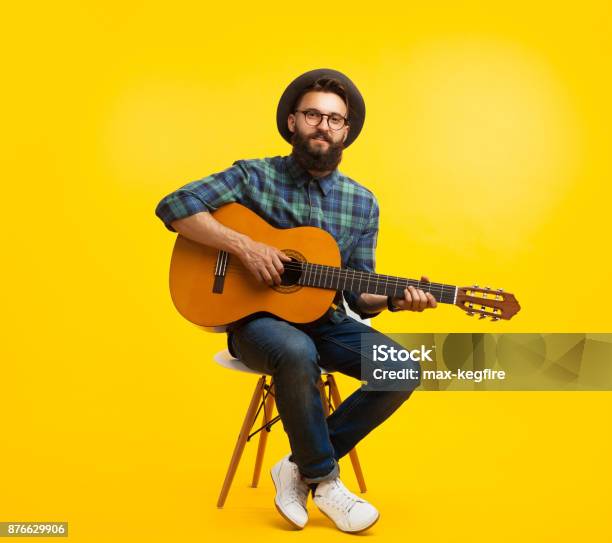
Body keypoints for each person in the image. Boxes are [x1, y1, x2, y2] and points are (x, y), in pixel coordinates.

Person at [155, 69, 437, 533]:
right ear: (292, 121)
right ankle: (325, 481)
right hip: (254, 323)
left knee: (401, 369)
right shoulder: (253, 176)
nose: (323, 126)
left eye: (335, 119)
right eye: (313, 115)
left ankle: (297, 467)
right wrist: (244, 246)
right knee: (294, 350)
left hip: (323, 321)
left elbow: (359, 292)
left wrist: (394, 300)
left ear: (347, 131)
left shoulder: (361, 202)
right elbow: (175, 206)